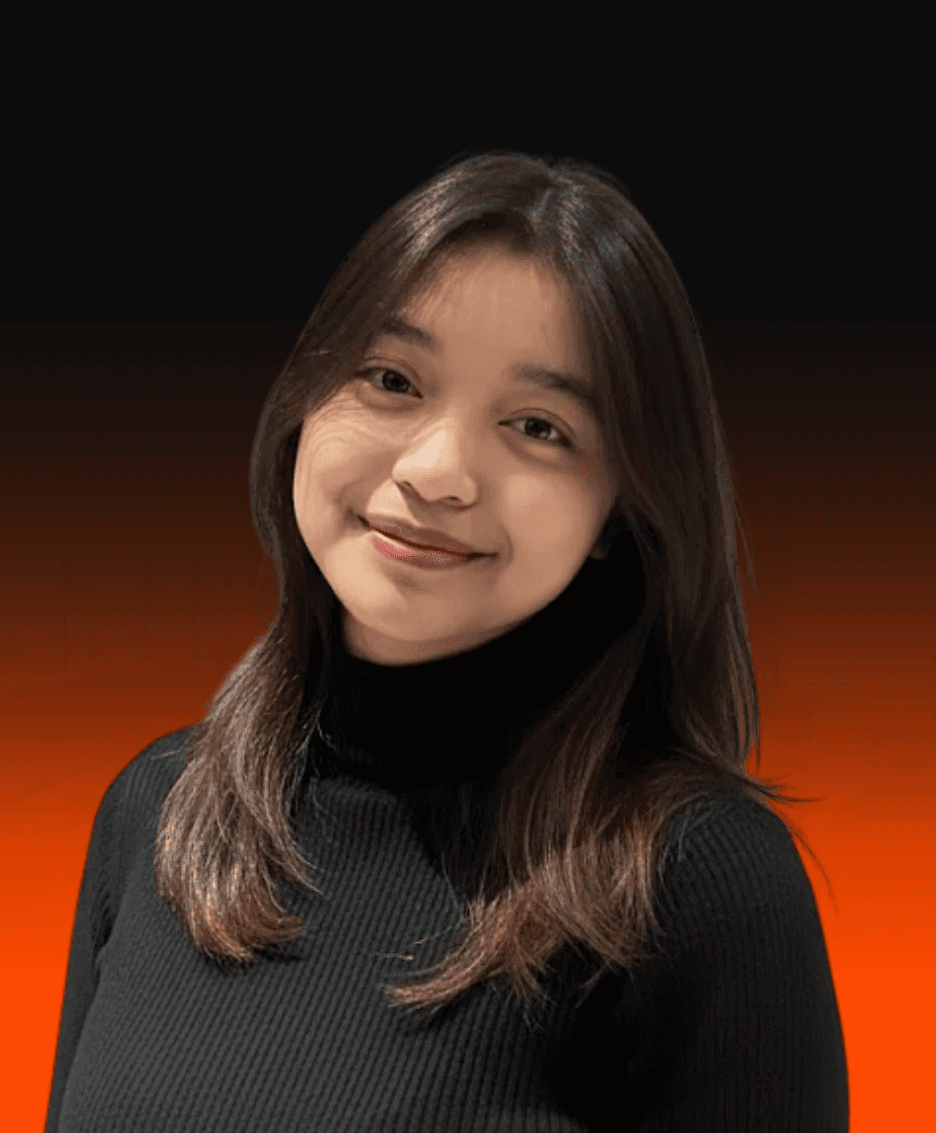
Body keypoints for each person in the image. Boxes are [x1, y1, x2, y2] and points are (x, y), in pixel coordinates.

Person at [45, 149, 849, 1131]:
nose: (438, 471)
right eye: (391, 377)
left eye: (538, 425)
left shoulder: (700, 885)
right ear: (304, 404)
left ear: (619, 510)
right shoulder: (160, 810)